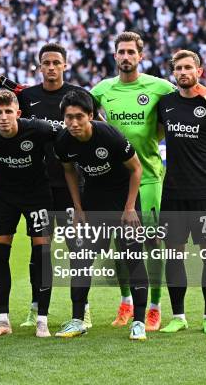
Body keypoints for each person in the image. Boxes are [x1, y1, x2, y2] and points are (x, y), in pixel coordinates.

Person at [90, 32, 175, 330]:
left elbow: (186, 100)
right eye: (121, 52)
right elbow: (79, 113)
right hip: (114, 181)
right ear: (114, 56)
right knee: (120, 245)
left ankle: (154, 306)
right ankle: (126, 301)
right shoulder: (102, 89)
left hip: (149, 177)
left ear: (140, 56)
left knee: (151, 243)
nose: (125, 57)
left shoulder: (160, 87)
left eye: (131, 52)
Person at [54, 89, 149, 340]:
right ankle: (77, 320)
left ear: (91, 115)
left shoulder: (109, 135)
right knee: (81, 258)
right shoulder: (63, 141)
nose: (73, 123)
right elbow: (70, 172)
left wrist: (130, 209)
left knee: (133, 260)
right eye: (68, 117)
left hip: (122, 202)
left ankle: (138, 322)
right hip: (93, 202)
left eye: (79, 117)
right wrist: (78, 208)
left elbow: (136, 170)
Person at [157, 50, 206, 335]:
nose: (183, 72)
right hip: (173, 195)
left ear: (199, 72)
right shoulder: (165, 104)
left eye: (188, 67)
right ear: (173, 73)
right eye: (178, 68)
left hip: (205, 195)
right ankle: (178, 316)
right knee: (174, 256)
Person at [17, 42, 88, 327]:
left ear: (64, 65)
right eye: (46, 62)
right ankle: (36, 307)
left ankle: (82, 309)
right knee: (40, 251)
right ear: (39, 65)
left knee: (77, 251)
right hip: (39, 187)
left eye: (56, 62)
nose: (51, 67)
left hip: (72, 186)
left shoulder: (79, 96)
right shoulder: (27, 97)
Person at [0, 89, 59, 337]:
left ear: (18, 113)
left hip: (38, 197)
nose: (3, 117)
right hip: (5, 196)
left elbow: (71, 135)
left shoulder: (38, 128)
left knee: (42, 253)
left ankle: (42, 320)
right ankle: (2, 320)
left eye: (8, 112)